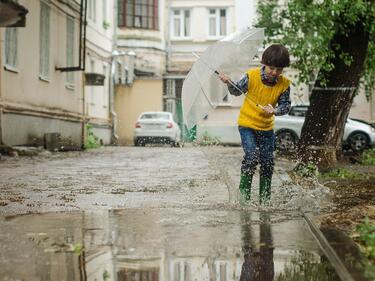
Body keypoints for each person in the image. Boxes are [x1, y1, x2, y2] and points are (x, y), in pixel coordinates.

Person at [219, 44, 291, 204]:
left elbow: (286, 106)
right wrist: (228, 82)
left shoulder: (284, 84)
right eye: (272, 68)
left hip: (266, 128)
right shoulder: (251, 76)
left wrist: (275, 110)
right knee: (251, 157)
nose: (275, 73)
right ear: (264, 63)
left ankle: (265, 201)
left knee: (267, 162)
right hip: (247, 125)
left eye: (279, 70)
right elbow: (236, 91)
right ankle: (244, 199)